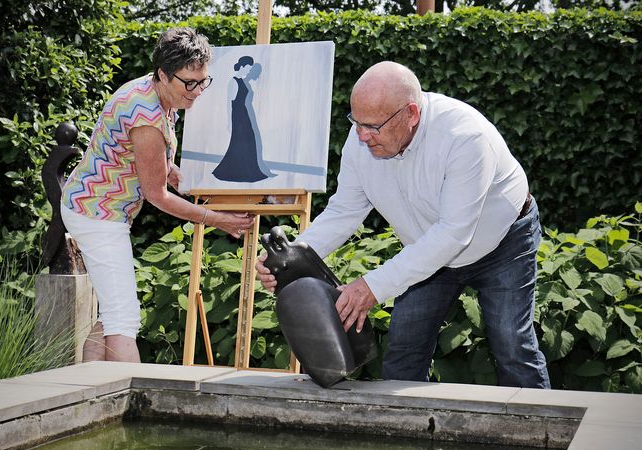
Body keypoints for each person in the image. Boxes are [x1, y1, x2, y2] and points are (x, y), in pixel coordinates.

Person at [256, 61, 551, 388]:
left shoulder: (465, 136)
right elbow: (345, 210)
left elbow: (454, 233)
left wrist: (372, 287)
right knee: (403, 349)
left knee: (512, 344)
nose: (361, 136)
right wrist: (294, 257)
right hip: (426, 252)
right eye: (356, 121)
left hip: (504, 243)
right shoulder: (361, 142)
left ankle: (552, 433)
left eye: (373, 126)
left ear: (411, 113)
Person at [61, 28, 254, 363]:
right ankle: (130, 400)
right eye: (189, 83)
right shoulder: (146, 117)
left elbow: (141, 156)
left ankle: (86, 390)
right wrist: (218, 220)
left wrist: (169, 166)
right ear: (163, 74)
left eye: (203, 81)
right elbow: (157, 196)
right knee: (124, 318)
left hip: (96, 207)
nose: (196, 92)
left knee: (111, 314)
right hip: (96, 213)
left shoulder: (162, 92)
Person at [212, 55, 274, 182]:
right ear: (242, 66)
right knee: (240, 142)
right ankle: (235, 171)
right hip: (237, 116)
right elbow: (229, 103)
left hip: (244, 114)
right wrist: (229, 122)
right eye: (248, 68)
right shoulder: (233, 81)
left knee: (249, 141)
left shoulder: (243, 81)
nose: (249, 71)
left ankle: (249, 170)